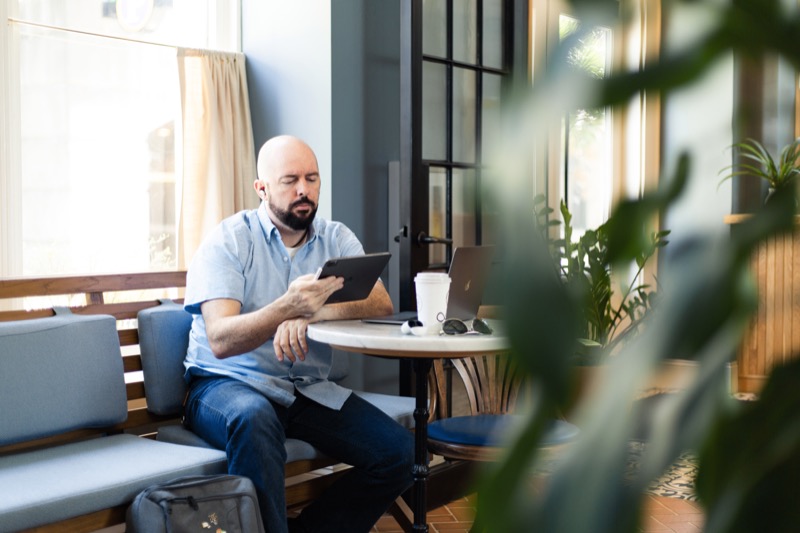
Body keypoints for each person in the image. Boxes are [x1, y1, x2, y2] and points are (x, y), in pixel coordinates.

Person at [182, 135, 414, 532]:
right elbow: (220, 339)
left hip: (302, 389)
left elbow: (380, 303)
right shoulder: (229, 239)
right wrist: (285, 309)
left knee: (401, 455)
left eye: (312, 178)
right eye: (290, 180)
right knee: (254, 419)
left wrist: (312, 313)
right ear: (262, 188)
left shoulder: (335, 238)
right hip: (224, 385)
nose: (303, 190)